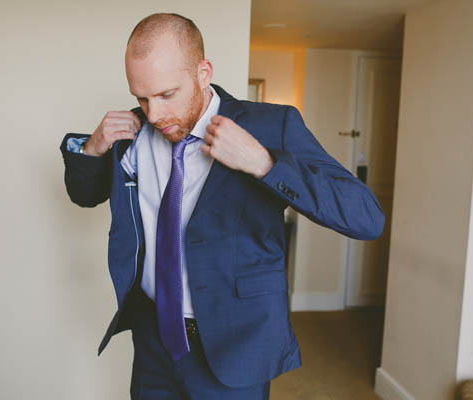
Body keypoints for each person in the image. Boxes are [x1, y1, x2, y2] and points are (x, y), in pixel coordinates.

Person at [59, 12, 384, 400]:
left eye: (166, 94)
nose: (154, 114)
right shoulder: (131, 131)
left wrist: (264, 164)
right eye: (141, 98)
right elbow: (84, 195)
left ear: (203, 72)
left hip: (234, 346)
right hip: (153, 341)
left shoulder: (271, 126)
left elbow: (366, 218)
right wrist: (93, 149)